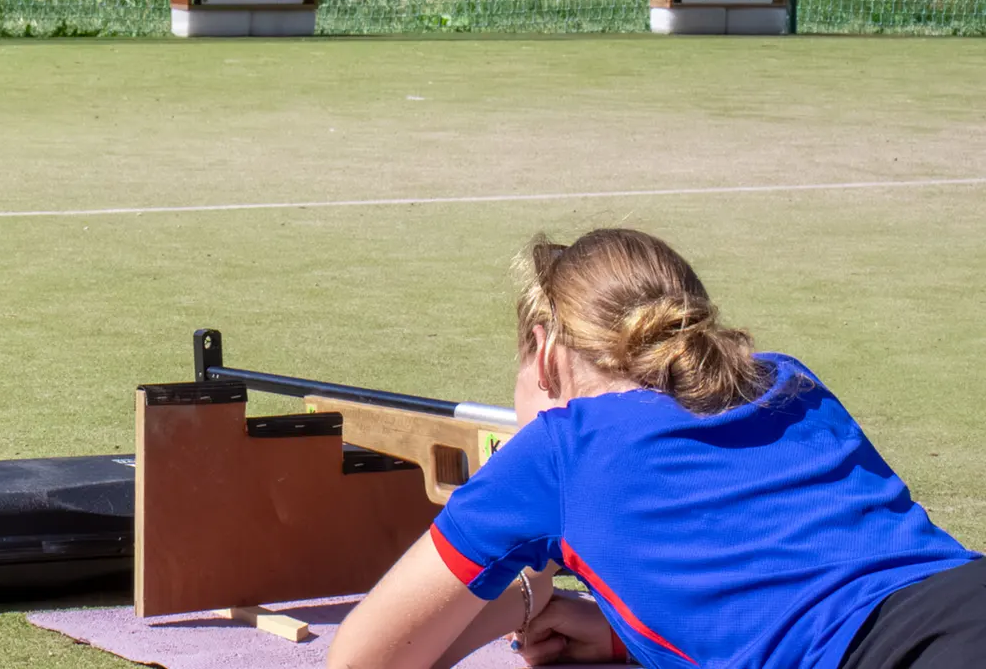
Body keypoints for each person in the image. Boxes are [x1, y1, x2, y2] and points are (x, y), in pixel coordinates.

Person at [325, 228, 982, 669]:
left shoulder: (558, 450)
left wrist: (526, 586)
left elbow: (362, 658)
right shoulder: (785, 377)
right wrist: (620, 632)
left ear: (547, 352)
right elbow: (789, 571)